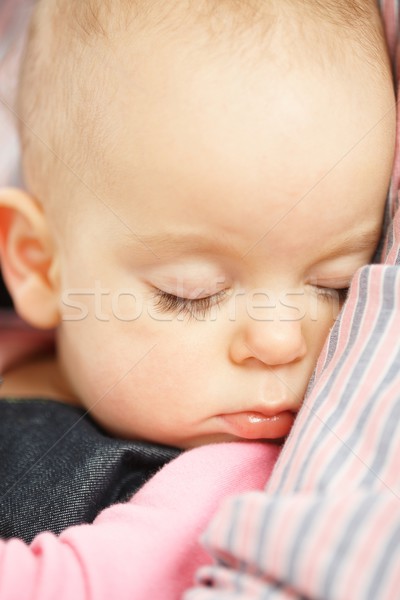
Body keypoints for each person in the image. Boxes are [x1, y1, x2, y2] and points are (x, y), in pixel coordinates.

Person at [0, 0, 396, 598]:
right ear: (40, 264)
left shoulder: (231, 482)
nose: (280, 340)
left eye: (335, 285)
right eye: (191, 294)